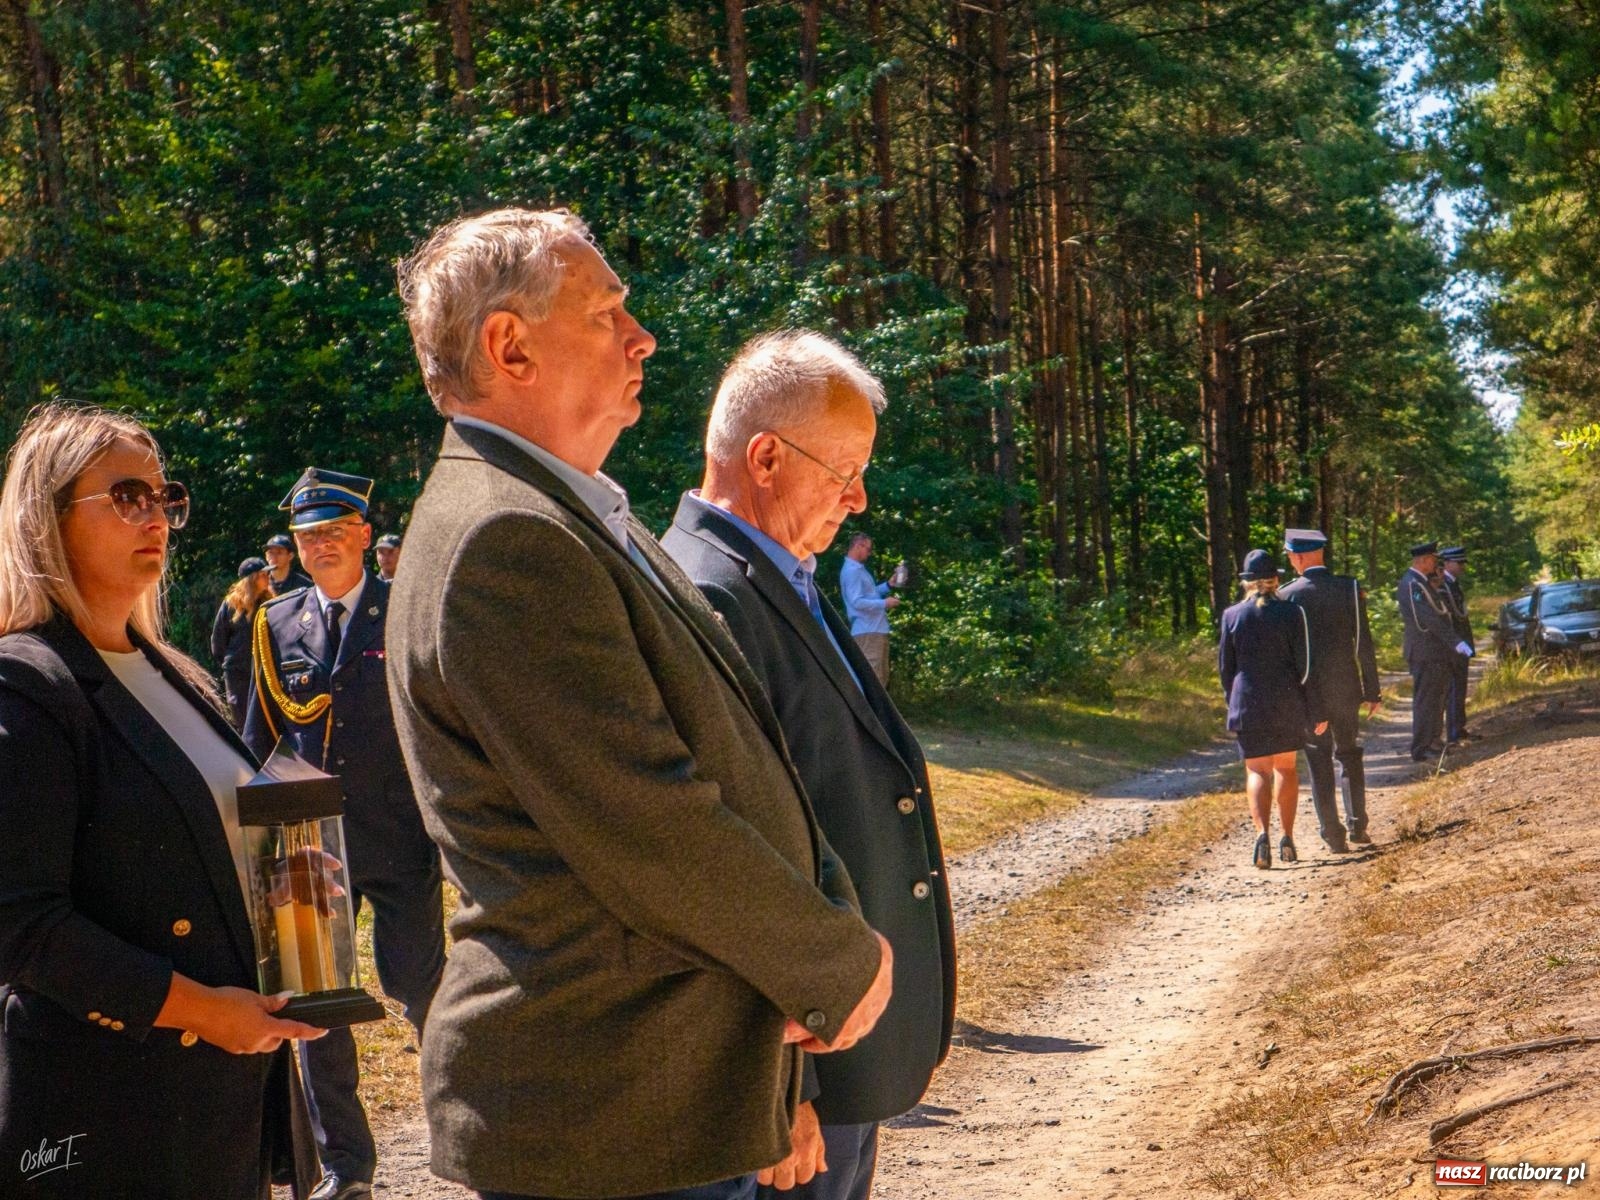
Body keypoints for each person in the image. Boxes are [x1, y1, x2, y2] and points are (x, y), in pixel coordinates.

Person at [389, 207, 892, 1200]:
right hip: (611, 1114)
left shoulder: (566, 514)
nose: (642, 336)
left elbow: (744, 759)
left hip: (652, 1104)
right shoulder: (508, 540)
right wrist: (838, 961)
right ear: (508, 345)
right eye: (607, 309)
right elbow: (653, 823)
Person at [0, 402, 325, 1199]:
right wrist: (204, 1012)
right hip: (102, 1117)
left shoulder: (176, 673)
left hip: (215, 1104)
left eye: (162, 497)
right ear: (47, 518)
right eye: (125, 497)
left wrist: (300, 884)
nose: (157, 517)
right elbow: (19, 925)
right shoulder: (25, 682)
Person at [662, 331, 955, 1200]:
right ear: (765, 457)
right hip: (798, 1067)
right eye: (845, 471)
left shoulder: (778, 572)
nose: (859, 498)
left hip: (843, 1039)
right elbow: (727, 860)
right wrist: (784, 1089)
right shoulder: (710, 595)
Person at [244, 468, 446, 1200]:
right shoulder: (276, 622)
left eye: (333, 531)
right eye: (307, 536)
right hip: (303, 846)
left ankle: (460, 1126)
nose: (320, 545)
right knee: (316, 1006)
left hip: (397, 833)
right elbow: (258, 738)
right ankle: (346, 1167)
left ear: (364, 534)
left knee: (419, 983)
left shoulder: (405, 609)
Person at [1218, 549, 1327, 869]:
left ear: (1246, 582)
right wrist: (1313, 708)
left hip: (1248, 702)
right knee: (1286, 769)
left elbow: (1226, 668)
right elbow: (1305, 666)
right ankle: (1288, 839)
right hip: (1286, 703)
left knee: (1256, 770)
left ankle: (1262, 834)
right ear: (1276, 579)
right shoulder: (1293, 614)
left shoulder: (1232, 616)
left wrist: (1233, 700)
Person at [1280, 529, 1382, 851]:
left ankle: (1333, 834)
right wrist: (1372, 689)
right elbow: (1363, 642)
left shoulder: (1288, 595)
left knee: (1318, 759)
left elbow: (1289, 656)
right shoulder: (1348, 588)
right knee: (1349, 753)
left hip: (1309, 696)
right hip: (1346, 688)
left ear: (1297, 556)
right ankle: (1358, 826)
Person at [1396, 541, 1466, 763]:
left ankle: (1434, 740)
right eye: (1434, 560)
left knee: (1437, 699)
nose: (1437, 565)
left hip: (1436, 652)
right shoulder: (1412, 584)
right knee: (1426, 701)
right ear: (1424, 560)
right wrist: (1455, 641)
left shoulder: (1422, 582)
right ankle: (1421, 746)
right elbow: (1427, 618)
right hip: (1425, 652)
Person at [211, 555, 272, 727]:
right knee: (242, 720)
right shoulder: (231, 604)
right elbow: (218, 641)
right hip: (238, 674)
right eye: (263, 574)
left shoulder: (270, 603)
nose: (268, 578)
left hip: (263, 672)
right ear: (252, 579)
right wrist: (232, 663)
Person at [839, 533, 898, 685]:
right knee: (873, 680)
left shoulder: (859, 570)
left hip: (876, 630)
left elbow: (870, 595)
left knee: (881, 677)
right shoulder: (852, 571)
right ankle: (869, 709)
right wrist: (884, 603)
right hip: (867, 631)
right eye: (868, 549)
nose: (869, 553)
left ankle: (877, 709)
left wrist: (888, 585)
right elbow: (857, 602)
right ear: (858, 546)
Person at [1439, 546, 1475, 743]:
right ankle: (1453, 730)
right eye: (1458, 563)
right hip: (1453, 646)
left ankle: (1459, 727)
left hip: (1461, 643)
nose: (1461, 567)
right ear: (1447, 563)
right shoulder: (1443, 585)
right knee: (1454, 688)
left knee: (1460, 686)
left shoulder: (1452, 584)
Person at [265, 532, 313, 596]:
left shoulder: (304, 586)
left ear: (290, 556)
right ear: (266, 556)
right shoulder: (261, 585)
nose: (274, 557)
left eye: (279, 552)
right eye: (270, 552)